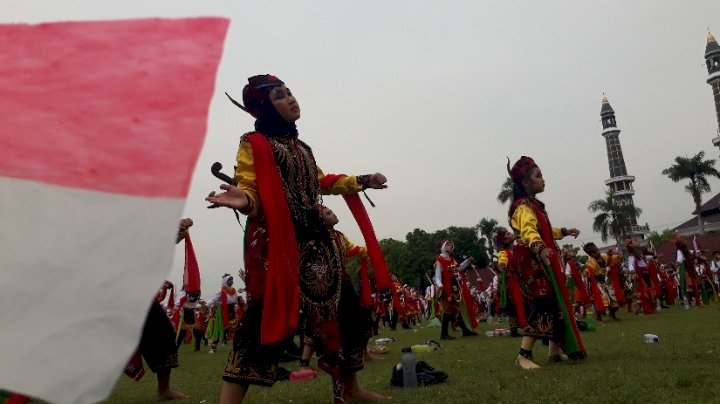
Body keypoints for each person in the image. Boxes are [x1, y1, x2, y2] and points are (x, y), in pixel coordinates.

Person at [205, 74, 388, 403]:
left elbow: (323, 182)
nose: (291, 98)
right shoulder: (254, 143)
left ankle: (353, 391)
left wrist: (364, 179)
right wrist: (244, 200)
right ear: (264, 106)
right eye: (280, 95)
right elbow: (251, 188)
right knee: (264, 323)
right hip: (279, 247)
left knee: (347, 314)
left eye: (290, 92)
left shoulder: (302, 148)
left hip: (319, 244)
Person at [506, 156, 586, 369]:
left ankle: (554, 352)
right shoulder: (522, 207)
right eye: (538, 176)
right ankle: (523, 355)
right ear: (525, 182)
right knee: (544, 302)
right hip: (530, 257)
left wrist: (564, 232)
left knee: (555, 301)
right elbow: (529, 231)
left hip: (540, 253)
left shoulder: (534, 205)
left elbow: (544, 230)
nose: (543, 179)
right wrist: (540, 248)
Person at [432, 240, 478, 340]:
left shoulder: (452, 259)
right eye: (448, 245)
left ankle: (465, 331)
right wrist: (440, 285)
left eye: (451, 245)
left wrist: (467, 261)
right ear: (444, 246)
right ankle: (443, 334)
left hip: (455, 286)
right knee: (448, 310)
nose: (450, 247)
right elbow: (437, 276)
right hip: (446, 287)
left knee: (460, 308)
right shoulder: (439, 260)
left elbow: (459, 268)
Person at [583, 242, 620, 320]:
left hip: (604, 281)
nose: (595, 253)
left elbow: (611, 259)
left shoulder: (604, 256)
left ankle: (613, 316)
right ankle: (599, 317)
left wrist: (616, 256)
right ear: (590, 254)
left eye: (596, 251)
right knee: (602, 298)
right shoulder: (591, 261)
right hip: (597, 282)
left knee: (612, 297)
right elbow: (589, 268)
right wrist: (586, 271)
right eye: (593, 253)